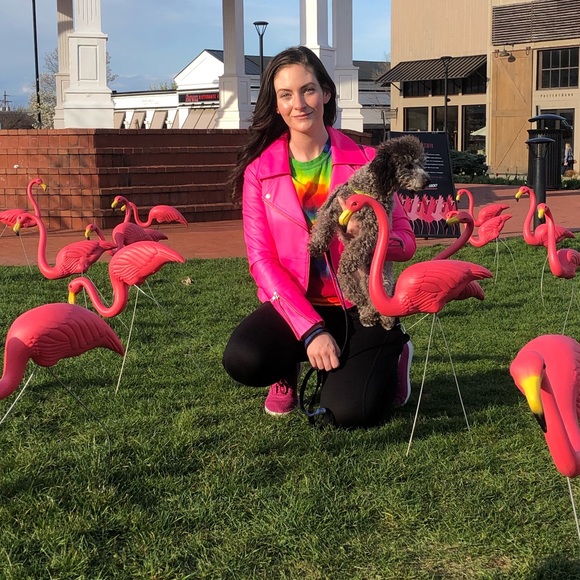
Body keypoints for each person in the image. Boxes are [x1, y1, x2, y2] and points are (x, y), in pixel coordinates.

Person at [222, 46, 416, 428]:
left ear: (325, 93)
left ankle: (395, 351)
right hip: (296, 303)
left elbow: (406, 242)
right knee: (244, 357)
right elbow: (261, 261)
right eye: (286, 95)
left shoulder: (368, 161)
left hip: (360, 303)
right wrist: (310, 330)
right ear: (276, 104)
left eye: (308, 90)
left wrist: (371, 237)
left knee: (350, 412)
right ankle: (288, 365)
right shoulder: (259, 173)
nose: (299, 104)